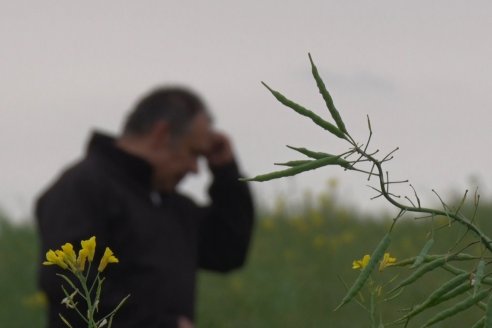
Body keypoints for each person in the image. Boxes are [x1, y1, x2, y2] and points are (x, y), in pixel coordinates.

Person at [36, 87, 255, 328]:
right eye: (194, 153)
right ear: (162, 134)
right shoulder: (82, 187)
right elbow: (69, 286)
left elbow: (228, 250)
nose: (195, 169)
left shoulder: (169, 204)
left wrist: (225, 171)